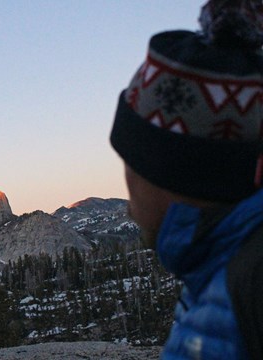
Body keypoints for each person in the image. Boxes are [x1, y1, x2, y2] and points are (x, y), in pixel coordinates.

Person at [109, 0, 263, 359]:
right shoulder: (225, 268)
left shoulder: (247, 289)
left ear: (169, 173)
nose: (128, 204)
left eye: (130, 166)